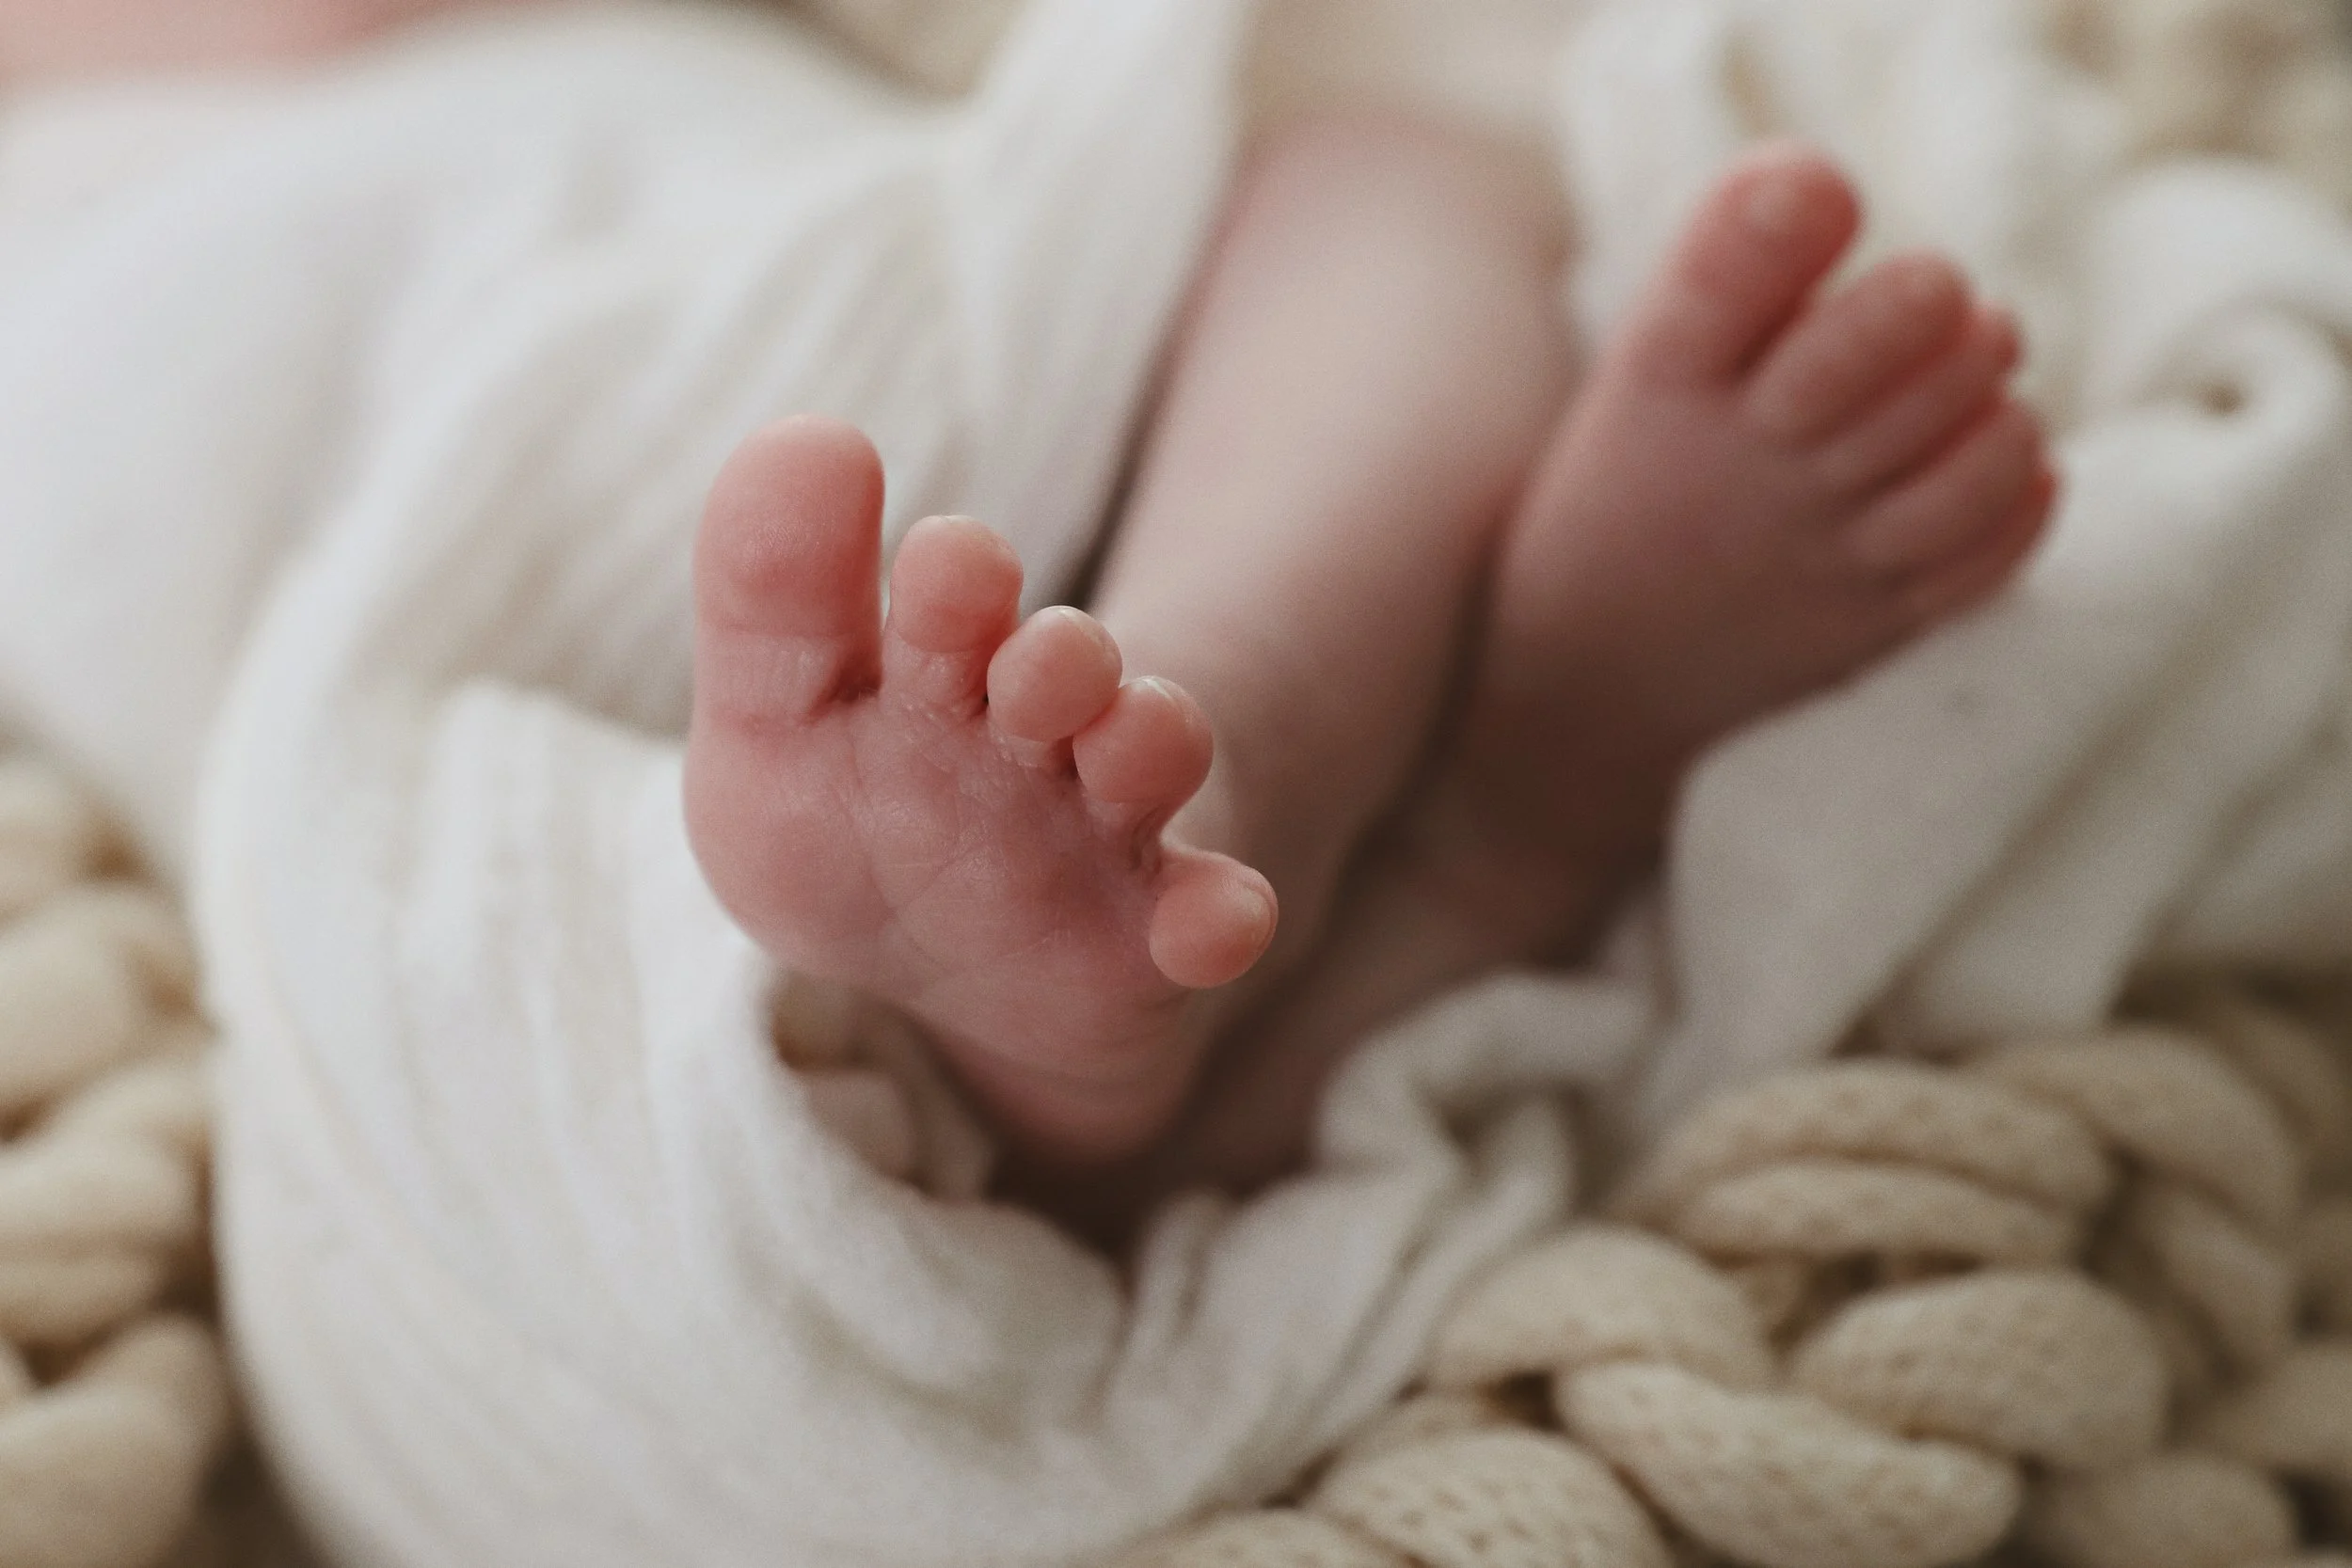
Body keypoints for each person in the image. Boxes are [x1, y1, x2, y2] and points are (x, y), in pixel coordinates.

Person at [1, 0, 2055, 1214]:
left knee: (1376, 177)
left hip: (951, 364)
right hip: (463, 650)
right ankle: (1452, 832)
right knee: (694, 1102)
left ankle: (1248, 740)